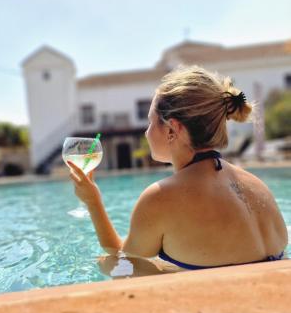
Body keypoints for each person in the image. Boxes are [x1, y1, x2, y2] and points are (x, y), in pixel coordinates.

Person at [67, 65, 288, 270]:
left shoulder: (160, 197)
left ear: (173, 129)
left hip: (222, 303)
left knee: (108, 264)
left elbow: (121, 257)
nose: (146, 132)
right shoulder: (257, 184)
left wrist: (93, 203)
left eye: (151, 122)